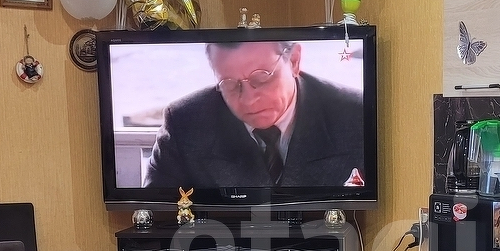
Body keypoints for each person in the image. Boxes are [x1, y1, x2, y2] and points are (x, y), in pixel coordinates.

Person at [143, 39, 365, 192]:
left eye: (262, 78)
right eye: (230, 85)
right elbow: (158, 215)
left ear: (294, 61)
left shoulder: (355, 114)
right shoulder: (184, 122)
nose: (248, 100)